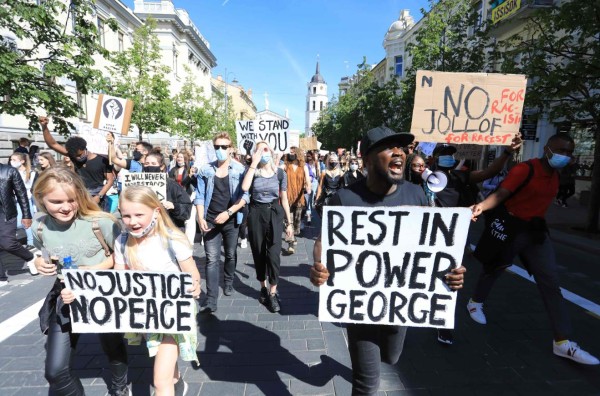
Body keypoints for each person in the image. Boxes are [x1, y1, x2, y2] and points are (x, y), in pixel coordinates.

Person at [310, 126, 466, 394]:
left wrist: (451, 272)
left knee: (391, 358)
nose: (398, 153)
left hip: (400, 306)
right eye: (388, 147)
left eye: (401, 148)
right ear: (367, 160)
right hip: (360, 308)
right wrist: (320, 267)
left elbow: (432, 250)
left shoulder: (417, 196)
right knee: (367, 384)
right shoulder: (344, 199)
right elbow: (323, 241)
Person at [468, 134, 599, 365]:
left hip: (536, 233)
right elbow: (501, 194)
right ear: (547, 149)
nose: (565, 156)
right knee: (495, 267)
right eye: (561, 150)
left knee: (550, 282)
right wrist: (480, 207)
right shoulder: (525, 169)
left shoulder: (556, 175)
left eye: (569, 152)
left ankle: (562, 342)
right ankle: (475, 302)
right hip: (511, 228)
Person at [32, 167, 129, 396]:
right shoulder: (40, 228)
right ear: (41, 199)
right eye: (56, 201)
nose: (65, 207)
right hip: (66, 295)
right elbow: (46, 254)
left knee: (112, 346)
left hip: (101, 292)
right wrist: (38, 262)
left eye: (71, 200)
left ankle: (119, 388)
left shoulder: (102, 222)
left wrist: (92, 270)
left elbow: (121, 256)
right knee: (55, 371)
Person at [429, 138, 521, 345]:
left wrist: (507, 152)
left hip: (454, 238)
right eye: (443, 153)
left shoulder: (461, 177)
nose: (448, 157)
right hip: (428, 236)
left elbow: (488, 172)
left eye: (450, 153)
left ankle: (442, 324)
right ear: (434, 158)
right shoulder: (425, 178)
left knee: (450, 280)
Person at [114, 185, 201, 395]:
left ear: (156, 211)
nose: (132, 221)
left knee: (160, 380)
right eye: (126, 215)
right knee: (161, 357)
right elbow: (118, 278)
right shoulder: (122, 241)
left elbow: (193, 274)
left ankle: (170, 386)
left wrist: (194, 285)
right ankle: (178, 383)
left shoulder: (172, 239)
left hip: (173, 315)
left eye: (138, 215)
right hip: (146, 314)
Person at [195, 133, 249, 313]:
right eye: (217, 147)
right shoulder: (205, 170)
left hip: (231, 220)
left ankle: (228, 281)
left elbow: (245, 196)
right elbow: (200, 196)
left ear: (231, 149)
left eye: (224, 147)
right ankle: (211, 299)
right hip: (210, 220)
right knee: (211, 259)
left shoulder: (240, 170)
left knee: (231, 254)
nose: (220, 150)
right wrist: (200, 217)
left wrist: (228, 213)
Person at [241, 141, 293, 313]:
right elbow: (244, 187)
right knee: (259, 252)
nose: (263, 152)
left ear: (271, 151)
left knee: (274, 254)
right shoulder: (252, 172)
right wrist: (253, 163)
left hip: (274, 212)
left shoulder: (279, 173)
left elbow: (284, 199)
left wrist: (289, 223)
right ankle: (262, 286)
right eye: (259, 150)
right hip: (256, 213)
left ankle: (272, 292)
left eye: (266, 149)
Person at [40, 116, 114, 207]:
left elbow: (110, 180)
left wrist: (99, 196)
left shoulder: (102, 160)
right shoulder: (73, 155)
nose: (78, 158)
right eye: (75, 156)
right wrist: (44, 127)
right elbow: (53, 144)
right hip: (80, 196)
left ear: (84, 148)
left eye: (80, 155)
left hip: (98, 198)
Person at [0, 161, 34, 285]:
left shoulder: (9, 171)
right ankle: (1, 277)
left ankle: (30, 257)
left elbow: (21, 194)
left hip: (6, 213)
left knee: (7, 243)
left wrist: (26, 215)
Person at [143, 152, 192, 232]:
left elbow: (187, 211)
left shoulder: (172, 185)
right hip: (145, 230)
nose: (149, 166)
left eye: (153, 163)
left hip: (169, 229)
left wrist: (174, 207)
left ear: (161, 166)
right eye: (146, 163)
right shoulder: (138, 186)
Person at [283, 146, 311, 254]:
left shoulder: (303, 167)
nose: (291, 153)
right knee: (288, 221)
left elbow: (307, 179)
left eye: (293, 152)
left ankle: (293, 235)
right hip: (287, 198)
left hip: (299, 199)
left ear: (298, 154)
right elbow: (276, 168)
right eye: (289, 152)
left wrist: (308, 186)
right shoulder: (285, 165)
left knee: (297, 221)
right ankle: (291, 243)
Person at [10, 152, 38, 249]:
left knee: (27, 221)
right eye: (11, 159)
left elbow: (34, 188)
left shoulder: (31, 173)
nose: (11, 162)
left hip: (27, 200)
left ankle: (31, 242)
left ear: (22, 161)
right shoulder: (12, 172)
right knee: (17, 223)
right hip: (16, 200)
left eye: (14, 160)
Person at [315, 153, 344, 217]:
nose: (333, 162)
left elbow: (342, 187)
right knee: (324, 216)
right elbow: (320, 186)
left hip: (336, 197)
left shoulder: (341, 173)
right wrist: (317, 198)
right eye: (331, 160)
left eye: (335, 160)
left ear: (337, 161)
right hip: (326, 197)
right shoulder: (324, 172)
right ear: (328, 161)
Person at [304, 150, 320, 225]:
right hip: (306, 182)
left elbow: (318, 173)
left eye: (310, 155)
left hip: (313, 182)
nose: (309, 157)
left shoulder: (316, 163)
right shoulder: (304, 164)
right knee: (307, 198)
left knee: (311, 198)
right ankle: (308, 213)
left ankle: (309, 214)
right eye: (307, 155)